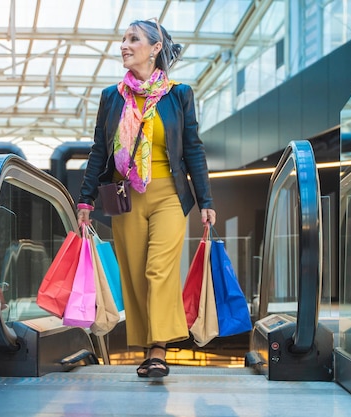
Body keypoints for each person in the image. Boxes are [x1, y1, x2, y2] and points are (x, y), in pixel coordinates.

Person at [76, 18, 216, 378]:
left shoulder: (178, 94)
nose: (124, 45)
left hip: (169, 193)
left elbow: (193, 151)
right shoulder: (112, 97)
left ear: (155, 49)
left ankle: (159, 348)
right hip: (124, 196)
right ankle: (145, 344)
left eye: (133, 39)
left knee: (158, 269)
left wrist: (206, 201)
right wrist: (85, 200)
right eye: (123, 39)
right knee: (136, 275)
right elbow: (98, 152)